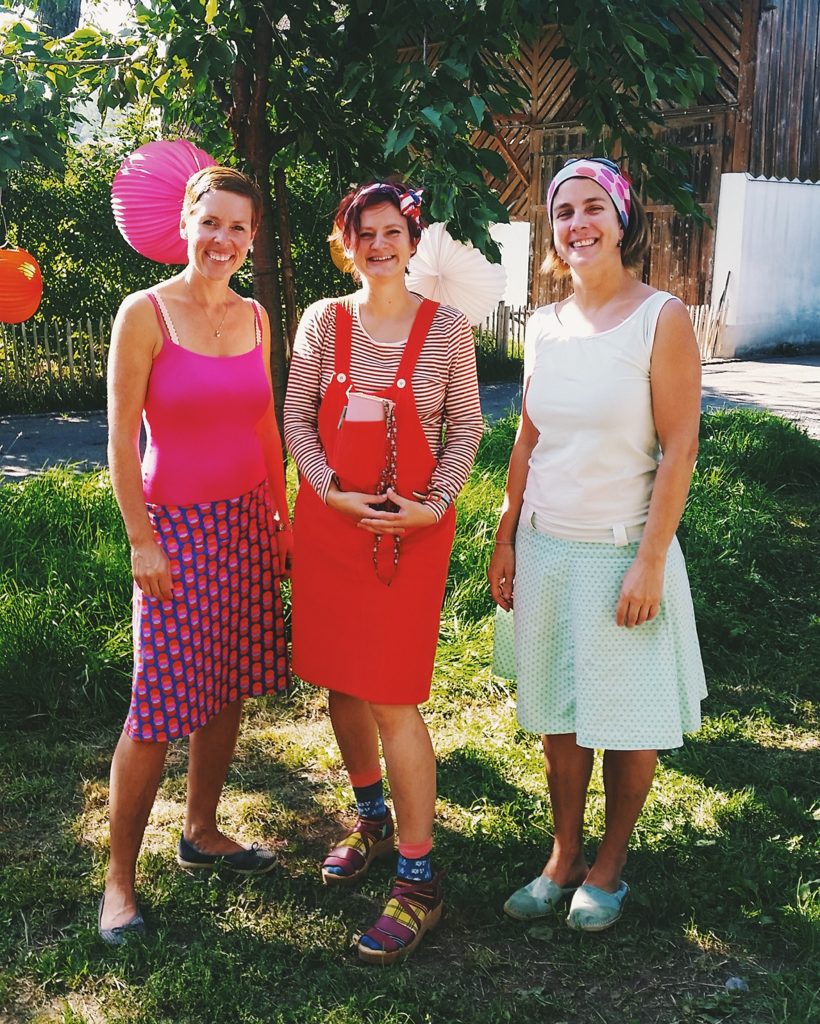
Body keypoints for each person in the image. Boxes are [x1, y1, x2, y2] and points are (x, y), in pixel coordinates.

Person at [488, 158, 706, 932]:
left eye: (592, 208)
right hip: (547, 549)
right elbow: (528, 437)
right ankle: (564, 855)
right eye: (563, 213)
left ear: (621, 221)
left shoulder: (661, 318)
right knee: (558, 712)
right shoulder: (544, 325)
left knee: (627, 718)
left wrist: (650, 559)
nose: (577, 224)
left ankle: (609, 866)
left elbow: (679, 449)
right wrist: (506, 533)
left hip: (623, 552)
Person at [284, 180, 483, 964]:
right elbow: (298, 419)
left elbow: (466, 426)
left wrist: (433, 505)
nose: (378, 245)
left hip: (411, 533)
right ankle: (370, 817)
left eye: (391, 231)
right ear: (346, 244)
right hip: (332, 527)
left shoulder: (448, 328)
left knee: (393, 696)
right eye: (362, 233)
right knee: (342, 679)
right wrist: (328, 490)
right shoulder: (322, 322)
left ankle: (419, 877)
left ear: (412, 240)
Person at [100, 166, 291, 944]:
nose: (223, 239)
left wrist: (281, 519)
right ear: (186, 223)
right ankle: (118, 884)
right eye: (211, 221)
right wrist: (141, 539)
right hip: (173, 531)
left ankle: (202, 831)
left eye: (238, 227)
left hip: (246, 522)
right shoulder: (143, 314)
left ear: (252, 238)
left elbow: (264, 425)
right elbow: (119, 439)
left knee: (229, 682)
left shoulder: (255, 316)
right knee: (156, 707)